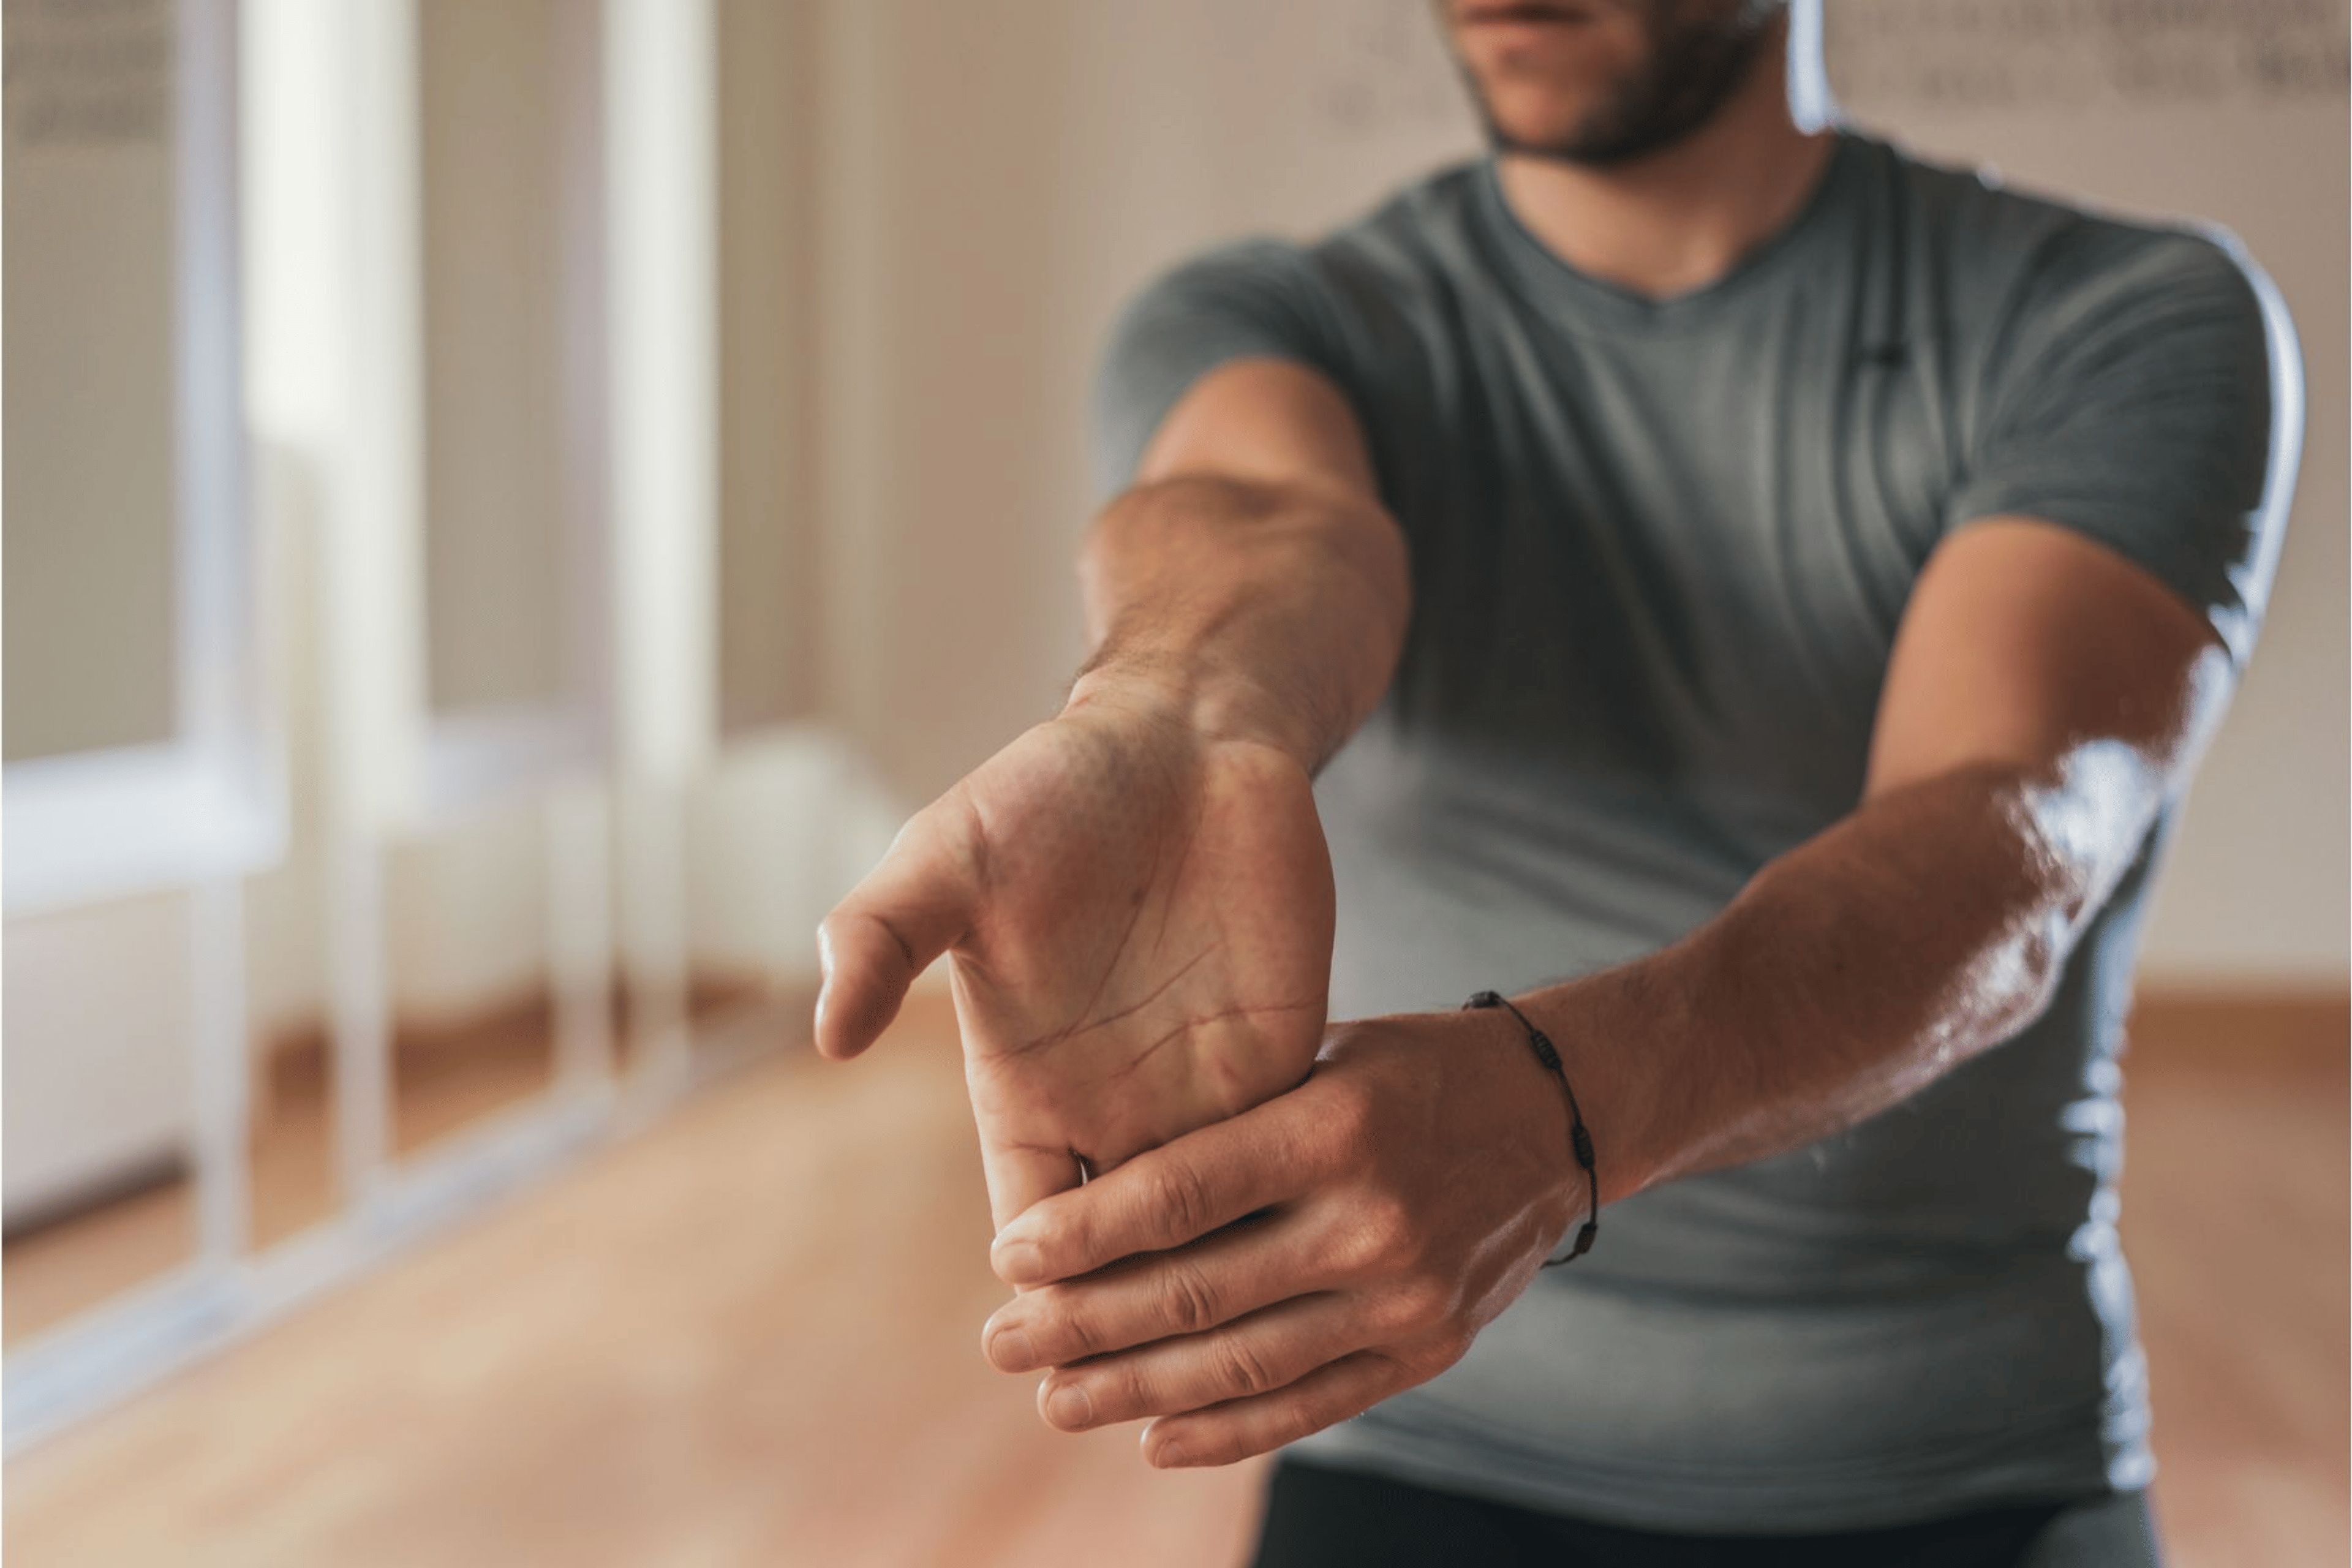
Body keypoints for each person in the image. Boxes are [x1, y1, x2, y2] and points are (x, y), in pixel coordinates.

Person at [812, 2, 2299, 1562]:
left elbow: (2009, 828)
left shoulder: (2127, 315)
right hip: (1404, 1430)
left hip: (1963, 1462)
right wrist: (1169, 713)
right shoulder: (1275, 319)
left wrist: (1561, 1114)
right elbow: (1261, 520)